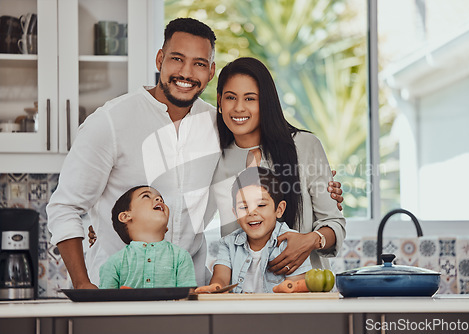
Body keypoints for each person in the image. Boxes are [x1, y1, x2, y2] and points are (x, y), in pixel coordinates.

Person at [47, 17, 343, 289]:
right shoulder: (111, 121)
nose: (186, 73)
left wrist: (318, 188)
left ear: (211, 71)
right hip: (118, 292)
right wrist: (83, 283)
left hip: (189, 291)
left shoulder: (218, 126)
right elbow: (65, 207)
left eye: (199, 64)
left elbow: (256, 172)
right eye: (177, 59)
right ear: (160, 59)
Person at [210, 57, 346, 275]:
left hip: (302, 293)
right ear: (219, 101)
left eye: (250, 98)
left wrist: (310, 241)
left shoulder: (304, 146)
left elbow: (334, 223)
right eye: (230, 97)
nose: (238, 108)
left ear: (265, 103)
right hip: (243, 296)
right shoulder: (215, 158)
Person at [200, 167, 312, 293]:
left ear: (279, 209)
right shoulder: (228, 244)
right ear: (235, 214)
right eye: (243, 207)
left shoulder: (292, 244)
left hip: (279, 311)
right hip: (239, 311)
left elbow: (296, 289)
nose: (252, 212)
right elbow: (220, 278)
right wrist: (215, 289)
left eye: (261, 205)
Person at [99, 186, 196, 289]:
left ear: (166, 228)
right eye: (146, 196)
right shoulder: (114, 263)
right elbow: (106, 303)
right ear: (125, 216)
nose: (159, 200)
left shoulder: (181, 257)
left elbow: (187, 300)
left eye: (161, 199)